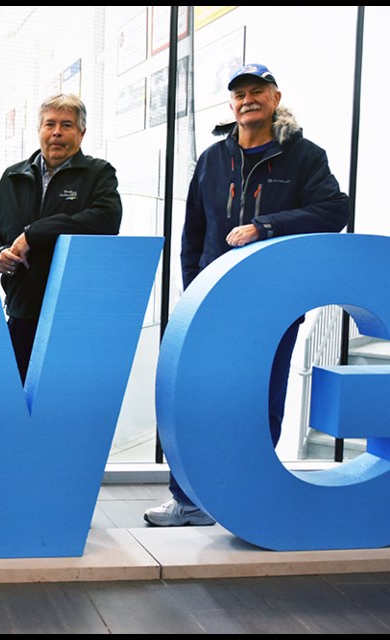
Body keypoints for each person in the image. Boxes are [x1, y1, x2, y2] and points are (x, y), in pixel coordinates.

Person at [144, 64, 350, 527]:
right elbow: (193, 231)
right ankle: (187, 499)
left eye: (258, 91)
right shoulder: (213, 159)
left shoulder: (304, 157)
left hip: (274, 303)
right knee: (201, 398)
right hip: (214, 303)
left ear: (275, 98)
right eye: (240, 94)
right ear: (231, 104)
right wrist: (193, 288)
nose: (248, 99)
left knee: (263, 398)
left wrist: (266, 227)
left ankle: (254, 494)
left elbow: (334, 209)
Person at [0, 93, 122, 383]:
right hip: (22, 311)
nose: (57, 132)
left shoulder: (98, 174)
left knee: (66, 403)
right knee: (17, 401)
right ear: (39, 131)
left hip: (74, 316)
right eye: (50, 124)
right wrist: (0, 254)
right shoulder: (12, 177)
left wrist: (34, 234)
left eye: (66, 125)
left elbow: (107, 219)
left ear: (81, 132)